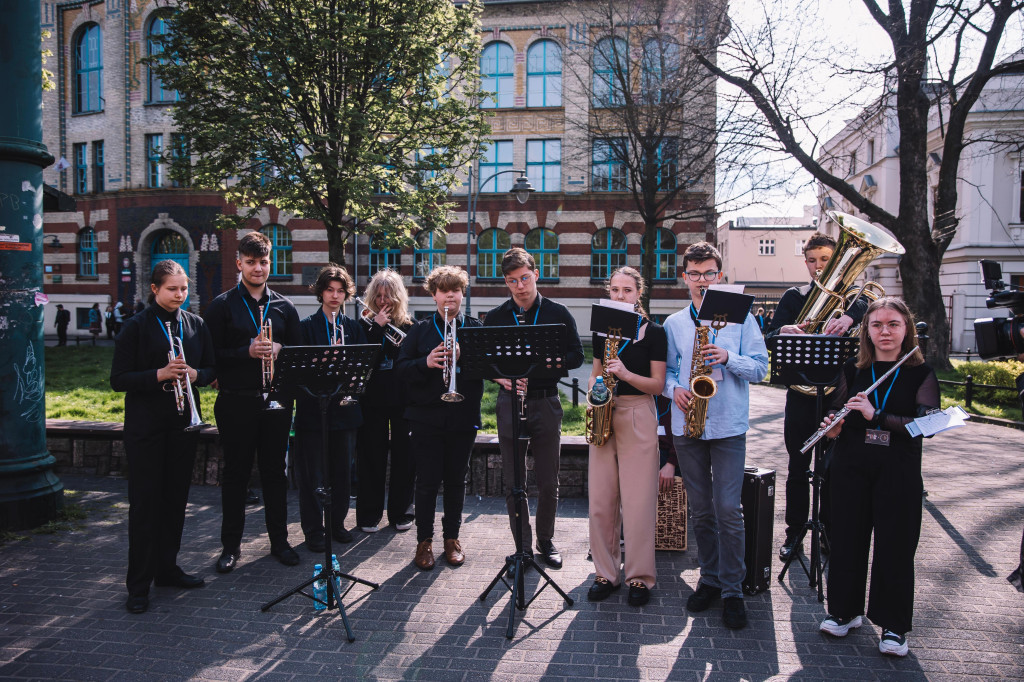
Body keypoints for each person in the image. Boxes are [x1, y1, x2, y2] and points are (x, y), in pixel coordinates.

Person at [817, 297, 938, 657]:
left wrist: (876, 414)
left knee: (895, 547)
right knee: (846, 540)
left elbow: (925, 426)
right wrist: (833, 429)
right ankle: (844, 611)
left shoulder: (921, 373)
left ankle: (894, 627)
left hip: (896, 470)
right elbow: (838, 412)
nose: (885, 332)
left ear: (906, 330)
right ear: (866, 331)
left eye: (893, 325)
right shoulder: (853, 370)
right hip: (851, 466)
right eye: (877, 325)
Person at [664, 241, 768, 629]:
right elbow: (669, 373)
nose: (702, 280)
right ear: (684, 277)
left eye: (709, 273)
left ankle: (733, 588)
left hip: (727, 425)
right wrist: (673, 389)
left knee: (729, 509)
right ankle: (708, 578)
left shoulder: (743, 319)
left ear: (719, 275)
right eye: (694, 274)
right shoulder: (675, 323)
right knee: (702, 509)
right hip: (688, 424)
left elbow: (761, 369)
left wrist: (728, 357)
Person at [110, 260, 216, 614]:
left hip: (182, 424)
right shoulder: (136, 326)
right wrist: (159, 374)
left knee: (175, 502)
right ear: (154, 288)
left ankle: (167, 570)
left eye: (184, 288)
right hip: (146, 429)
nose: (180, 295)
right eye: (172, 289)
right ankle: (138, 585)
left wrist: (197, 373)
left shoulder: (196, 324)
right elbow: (119, 379)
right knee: (145, 506)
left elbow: (212, 369)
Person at [203, 231, 302, 573]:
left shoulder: (285, 308)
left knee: (276, 474)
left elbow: (298, 357)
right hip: (236, 402)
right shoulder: (221, 305)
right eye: (250, 263)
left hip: (275, 403)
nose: (258, 269)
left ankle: (280, 542)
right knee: (236, 475)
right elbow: (210, 356)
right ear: (239, 263)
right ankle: (231, 547)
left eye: (263, 262)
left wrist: (281, 350)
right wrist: (245, 351)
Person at [766, 232, 869, 563]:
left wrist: (850, 317)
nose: (819, 267)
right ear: (806, 262)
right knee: (798, 467)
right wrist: (784, 331)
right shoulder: (794, 297)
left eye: (826, 259)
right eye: (813, 260)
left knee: (832, 468)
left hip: (837, 394)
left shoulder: (853, 297)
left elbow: (872, 303)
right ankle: (794, 531)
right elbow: (768, 336)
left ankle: (828, 529)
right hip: (801, 394)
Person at [483, 247, 584, 569]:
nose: (520, 286)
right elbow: (483, 360)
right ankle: (522, 547)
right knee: (514, 481)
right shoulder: (497, 316)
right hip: (509, 402)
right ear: (506, 283)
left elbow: (576, 356)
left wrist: (542, 366)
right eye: (513, 281)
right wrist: (502, 379)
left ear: (536, 274)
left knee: (547, 479)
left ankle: (546, 541)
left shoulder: (557, 312)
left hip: (545, 400)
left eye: (525, 278)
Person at [586, 267, 666, 607]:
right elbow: (592, 375)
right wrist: (596, 389)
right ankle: (605, 573)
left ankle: (639, 578)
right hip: (605, 412)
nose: (620, 296)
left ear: (639, 294)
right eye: (615, 290)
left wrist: (625, 372)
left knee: (638, 502)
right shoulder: (602, 331)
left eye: (627, 290)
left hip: (637, 412)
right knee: (601, 502)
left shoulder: (655, 332)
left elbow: (658, 386)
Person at [396, 266, 483, 570]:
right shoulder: (419, 331)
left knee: (457, 480)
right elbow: (400, 369)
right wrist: (425, 362)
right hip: (426, 418)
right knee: (427, 482)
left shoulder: (473, 328)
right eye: (443, 290)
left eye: (455, 290)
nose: (450, 295)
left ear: (462, 294)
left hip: (462, 417)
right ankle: (424, 542)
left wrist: (465, 356)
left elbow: (488, 368)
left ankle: (452, 539)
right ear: (433, 295)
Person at [294, 265, 366, 552]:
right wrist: (322, 362)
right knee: (313, 474)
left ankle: (337, 524)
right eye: (329, 290)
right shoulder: (306, 327)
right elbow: (298, 369)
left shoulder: (353, 328)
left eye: (340, 291)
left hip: (345, 410)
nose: (335, 296)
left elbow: (364, 366)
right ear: (320, 292)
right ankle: (313, 529)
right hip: (314, 409)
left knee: (342, 471)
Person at [355, 269, 416, 534]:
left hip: (402, 400)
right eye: (378, 296)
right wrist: (377, 329)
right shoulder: (363, 327)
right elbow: (362, 361)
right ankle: (369, 514)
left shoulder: (410, 327)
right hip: (372, 400)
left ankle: (401, 512)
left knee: (405, 458)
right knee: (370, 457)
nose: (382, 301)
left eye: (388, 296)